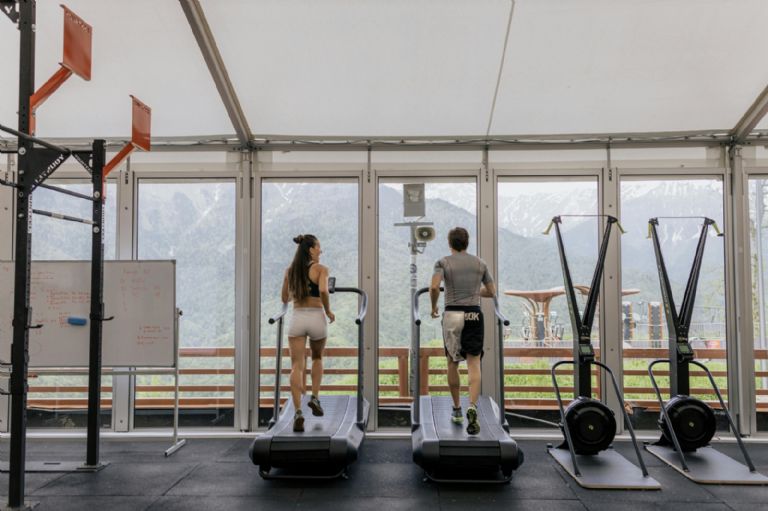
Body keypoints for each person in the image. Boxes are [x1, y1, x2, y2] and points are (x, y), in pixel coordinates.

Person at [430, 227, 496, 435]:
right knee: (474, 363)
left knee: (452, 362)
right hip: (474, 314)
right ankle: (472, 406)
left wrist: (433, 306)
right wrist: (474, 291)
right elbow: (492, 291)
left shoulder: (443, 262)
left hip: (452, 314)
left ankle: (457, 409)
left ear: (450, 243)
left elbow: (434, 287)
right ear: (467, 243)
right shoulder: (480, 263)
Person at [282, 234, 335, 432]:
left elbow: (285, 298)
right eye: (319, 247)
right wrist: (328, 311)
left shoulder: (290, 271)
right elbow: (323, 291)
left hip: (297, 317)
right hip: (316, 317)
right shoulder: (321, 269)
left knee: (296, 365)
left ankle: (298, 412)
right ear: (311, 249)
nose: (321, 250)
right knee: (317, 358)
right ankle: (315, 397)